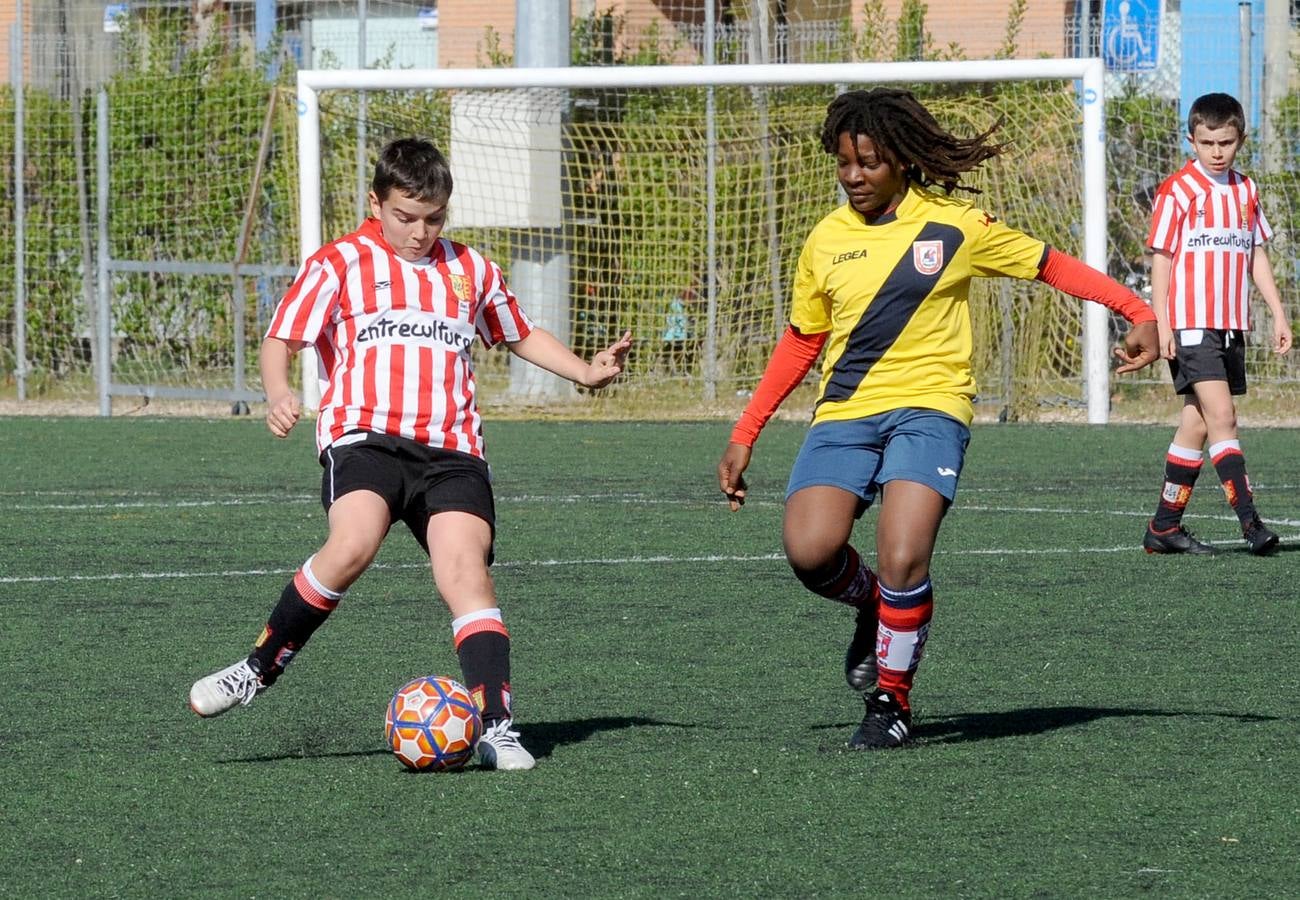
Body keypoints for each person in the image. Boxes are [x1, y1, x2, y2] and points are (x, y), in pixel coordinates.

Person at [715, 88, 1159, 751]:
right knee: (810, 552)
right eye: (843, 163)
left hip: (932, 408)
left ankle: (892, 701)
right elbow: (804, 339)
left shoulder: (955, 226)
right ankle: (872, 608)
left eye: (867, 163)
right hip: (845, 411)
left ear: (901, 161)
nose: (854, 177)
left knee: (902, 554)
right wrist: (744, 433)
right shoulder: (826, 239)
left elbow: (1050, 266)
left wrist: (1139, 312)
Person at [189, 138, 633, 771]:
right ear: (377, 202)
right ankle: (256, 671)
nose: (420, 232)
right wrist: (279, 391)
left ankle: (498, 727)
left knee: (466, 572)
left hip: (452, 448)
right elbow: (281, 338)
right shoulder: (339, 262)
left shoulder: (470, 269)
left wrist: (585, 374)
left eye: (433, 218)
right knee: (352, 545)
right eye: (405, 217)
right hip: (366, 438)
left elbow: (519, 331)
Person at [1140, 92, 1292, 557]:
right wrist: (1161, 323)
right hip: (1189, 324)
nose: (1217, 151)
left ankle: (1164, 527)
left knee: (1198, 426)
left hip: (1230, 325)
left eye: (1225, 142)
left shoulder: (1245, 191)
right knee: (1224, 416)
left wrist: (1278, 311)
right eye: (1207, 143)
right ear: (1192, 140)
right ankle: (1252, 525)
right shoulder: (1178, 191)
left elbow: (1255, 254)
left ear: (1240, 139)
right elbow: (1161, 261)